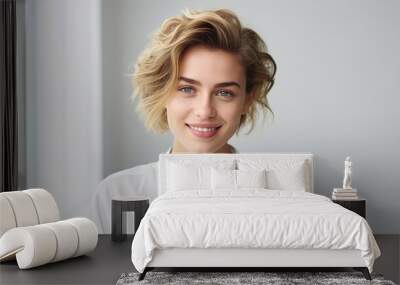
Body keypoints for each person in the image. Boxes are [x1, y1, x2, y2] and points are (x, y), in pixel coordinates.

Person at [91, 8, 276, 233]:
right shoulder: (117, 192)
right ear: (162, 92)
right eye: (187, 89)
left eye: (224, 93)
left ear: (247, 100)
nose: (205, 110)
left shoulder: (275, 195)